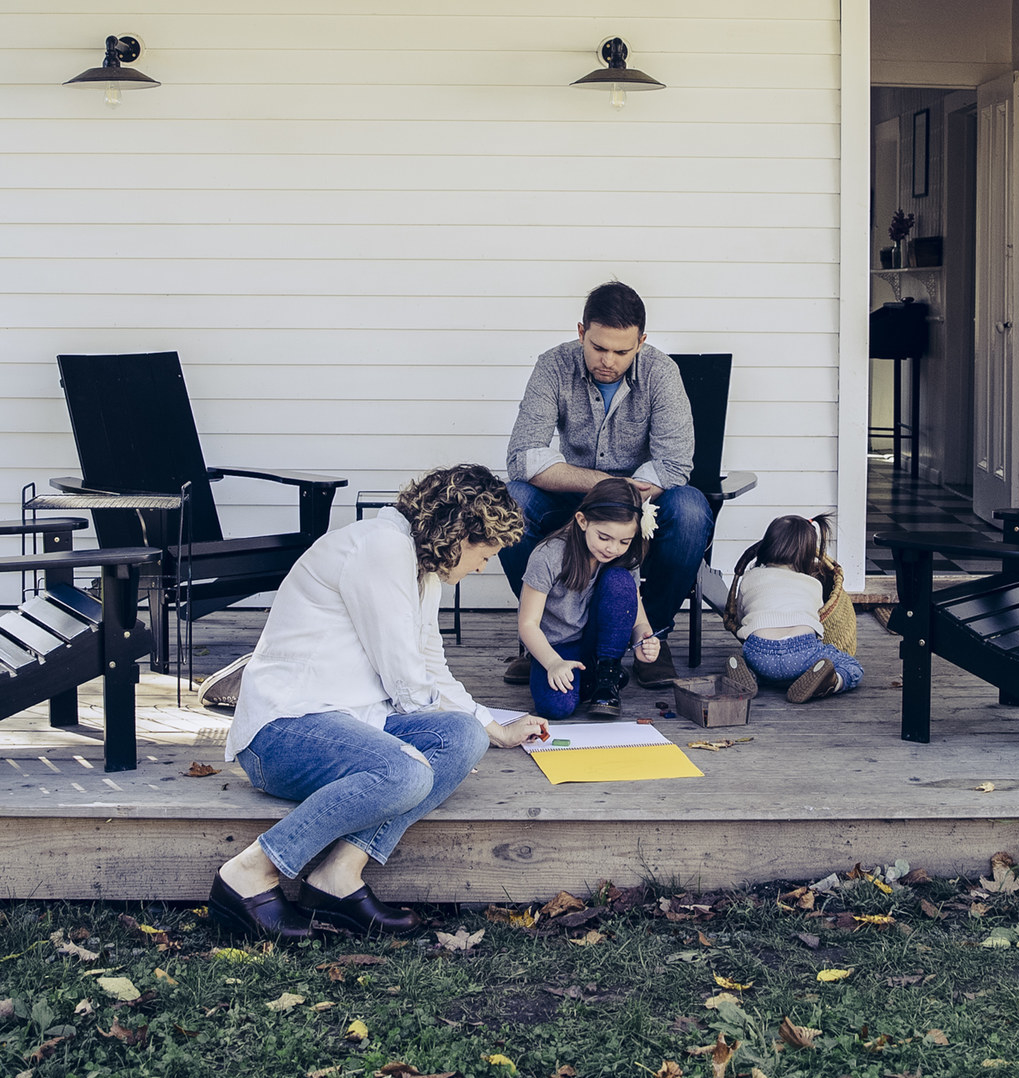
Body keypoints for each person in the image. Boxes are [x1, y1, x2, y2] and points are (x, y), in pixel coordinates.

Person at [215, 465, 549, 942]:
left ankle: (338, 876)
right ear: (458, 532)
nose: (482, 568)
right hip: (282, 734)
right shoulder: (380, 546)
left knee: (464, 737)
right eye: (484, 553)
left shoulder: (420, 567)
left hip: (354, 724)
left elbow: (430, 662)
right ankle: (248, 872)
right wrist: (422, 740)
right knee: (405, 772)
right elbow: (408, 680)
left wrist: (493, 727)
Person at [502, 280, 714, 688]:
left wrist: (623, 495)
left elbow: (674, 464)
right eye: (598, 347)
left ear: (642, 341)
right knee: (513, 501)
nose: (609, 361)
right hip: (573, 500)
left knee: (689, 509)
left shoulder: (661, 372)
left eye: (622, 351)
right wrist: (601, 483)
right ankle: (544, 638)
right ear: (581, 332)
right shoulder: (554, 366)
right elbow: (523, 457)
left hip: (640, 507)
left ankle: (651, 637)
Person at [516, 481, 664, 720]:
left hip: (599, 644)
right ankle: (587, 680)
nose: (613, 548)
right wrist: (553, 663)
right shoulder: (548, 555)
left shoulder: (625, 557)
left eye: (624, 541)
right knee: (557, 707)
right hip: (557, 647)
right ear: (582, 521)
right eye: (604, 537)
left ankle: (607, 673)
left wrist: (643, 639)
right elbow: (528, 624)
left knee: (619, 579)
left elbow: (638, 618)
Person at [724, 514, 864, 703]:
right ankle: (829, 681)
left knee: (763, 665)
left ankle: (751, 674)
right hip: (802, 651)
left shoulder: (749, 578)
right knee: (852, 666)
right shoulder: (813, 584)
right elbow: (818, 617)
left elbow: (742, 618)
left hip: (759, 652)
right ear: (807, 555)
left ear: (766, 546)